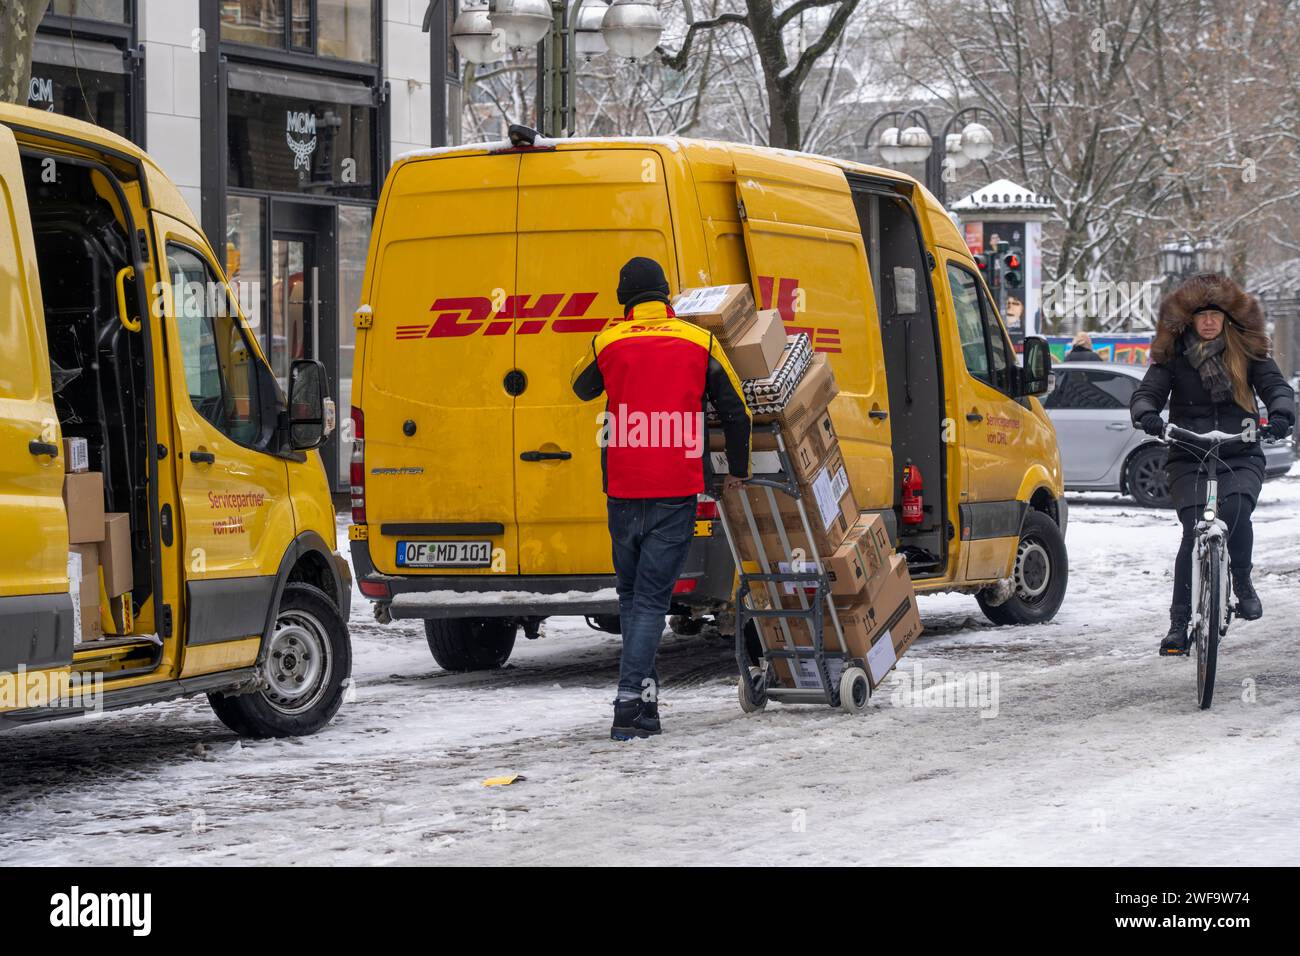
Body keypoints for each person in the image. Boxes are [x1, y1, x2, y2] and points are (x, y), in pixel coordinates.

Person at [571, 257, 752, 739]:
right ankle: (630, 702)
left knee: (632, 598)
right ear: (666, 295)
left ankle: (645, 708)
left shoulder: (607, 341)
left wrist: (613, 341)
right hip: (674, 489)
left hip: (623, 491)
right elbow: (738, 414)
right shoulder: (699, 341)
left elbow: (580, 385)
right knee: (651, 601)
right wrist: (736, 471)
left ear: (623, 298)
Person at [1129, 273, 1294, 655]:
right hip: (1189, 453)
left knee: (1236, 509)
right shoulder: (1173, 356)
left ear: (1227, 318)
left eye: (1215, 314)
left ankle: (1242, 582)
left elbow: (1276, 387)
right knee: (1193, 530)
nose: (1208, 321)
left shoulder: (1249, 352)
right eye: (1201, 314)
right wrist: (1148, 415)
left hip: (1240, 450)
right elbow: (1146, 393)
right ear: (1189, 319)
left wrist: (1281, 413)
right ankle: (1178, 624)